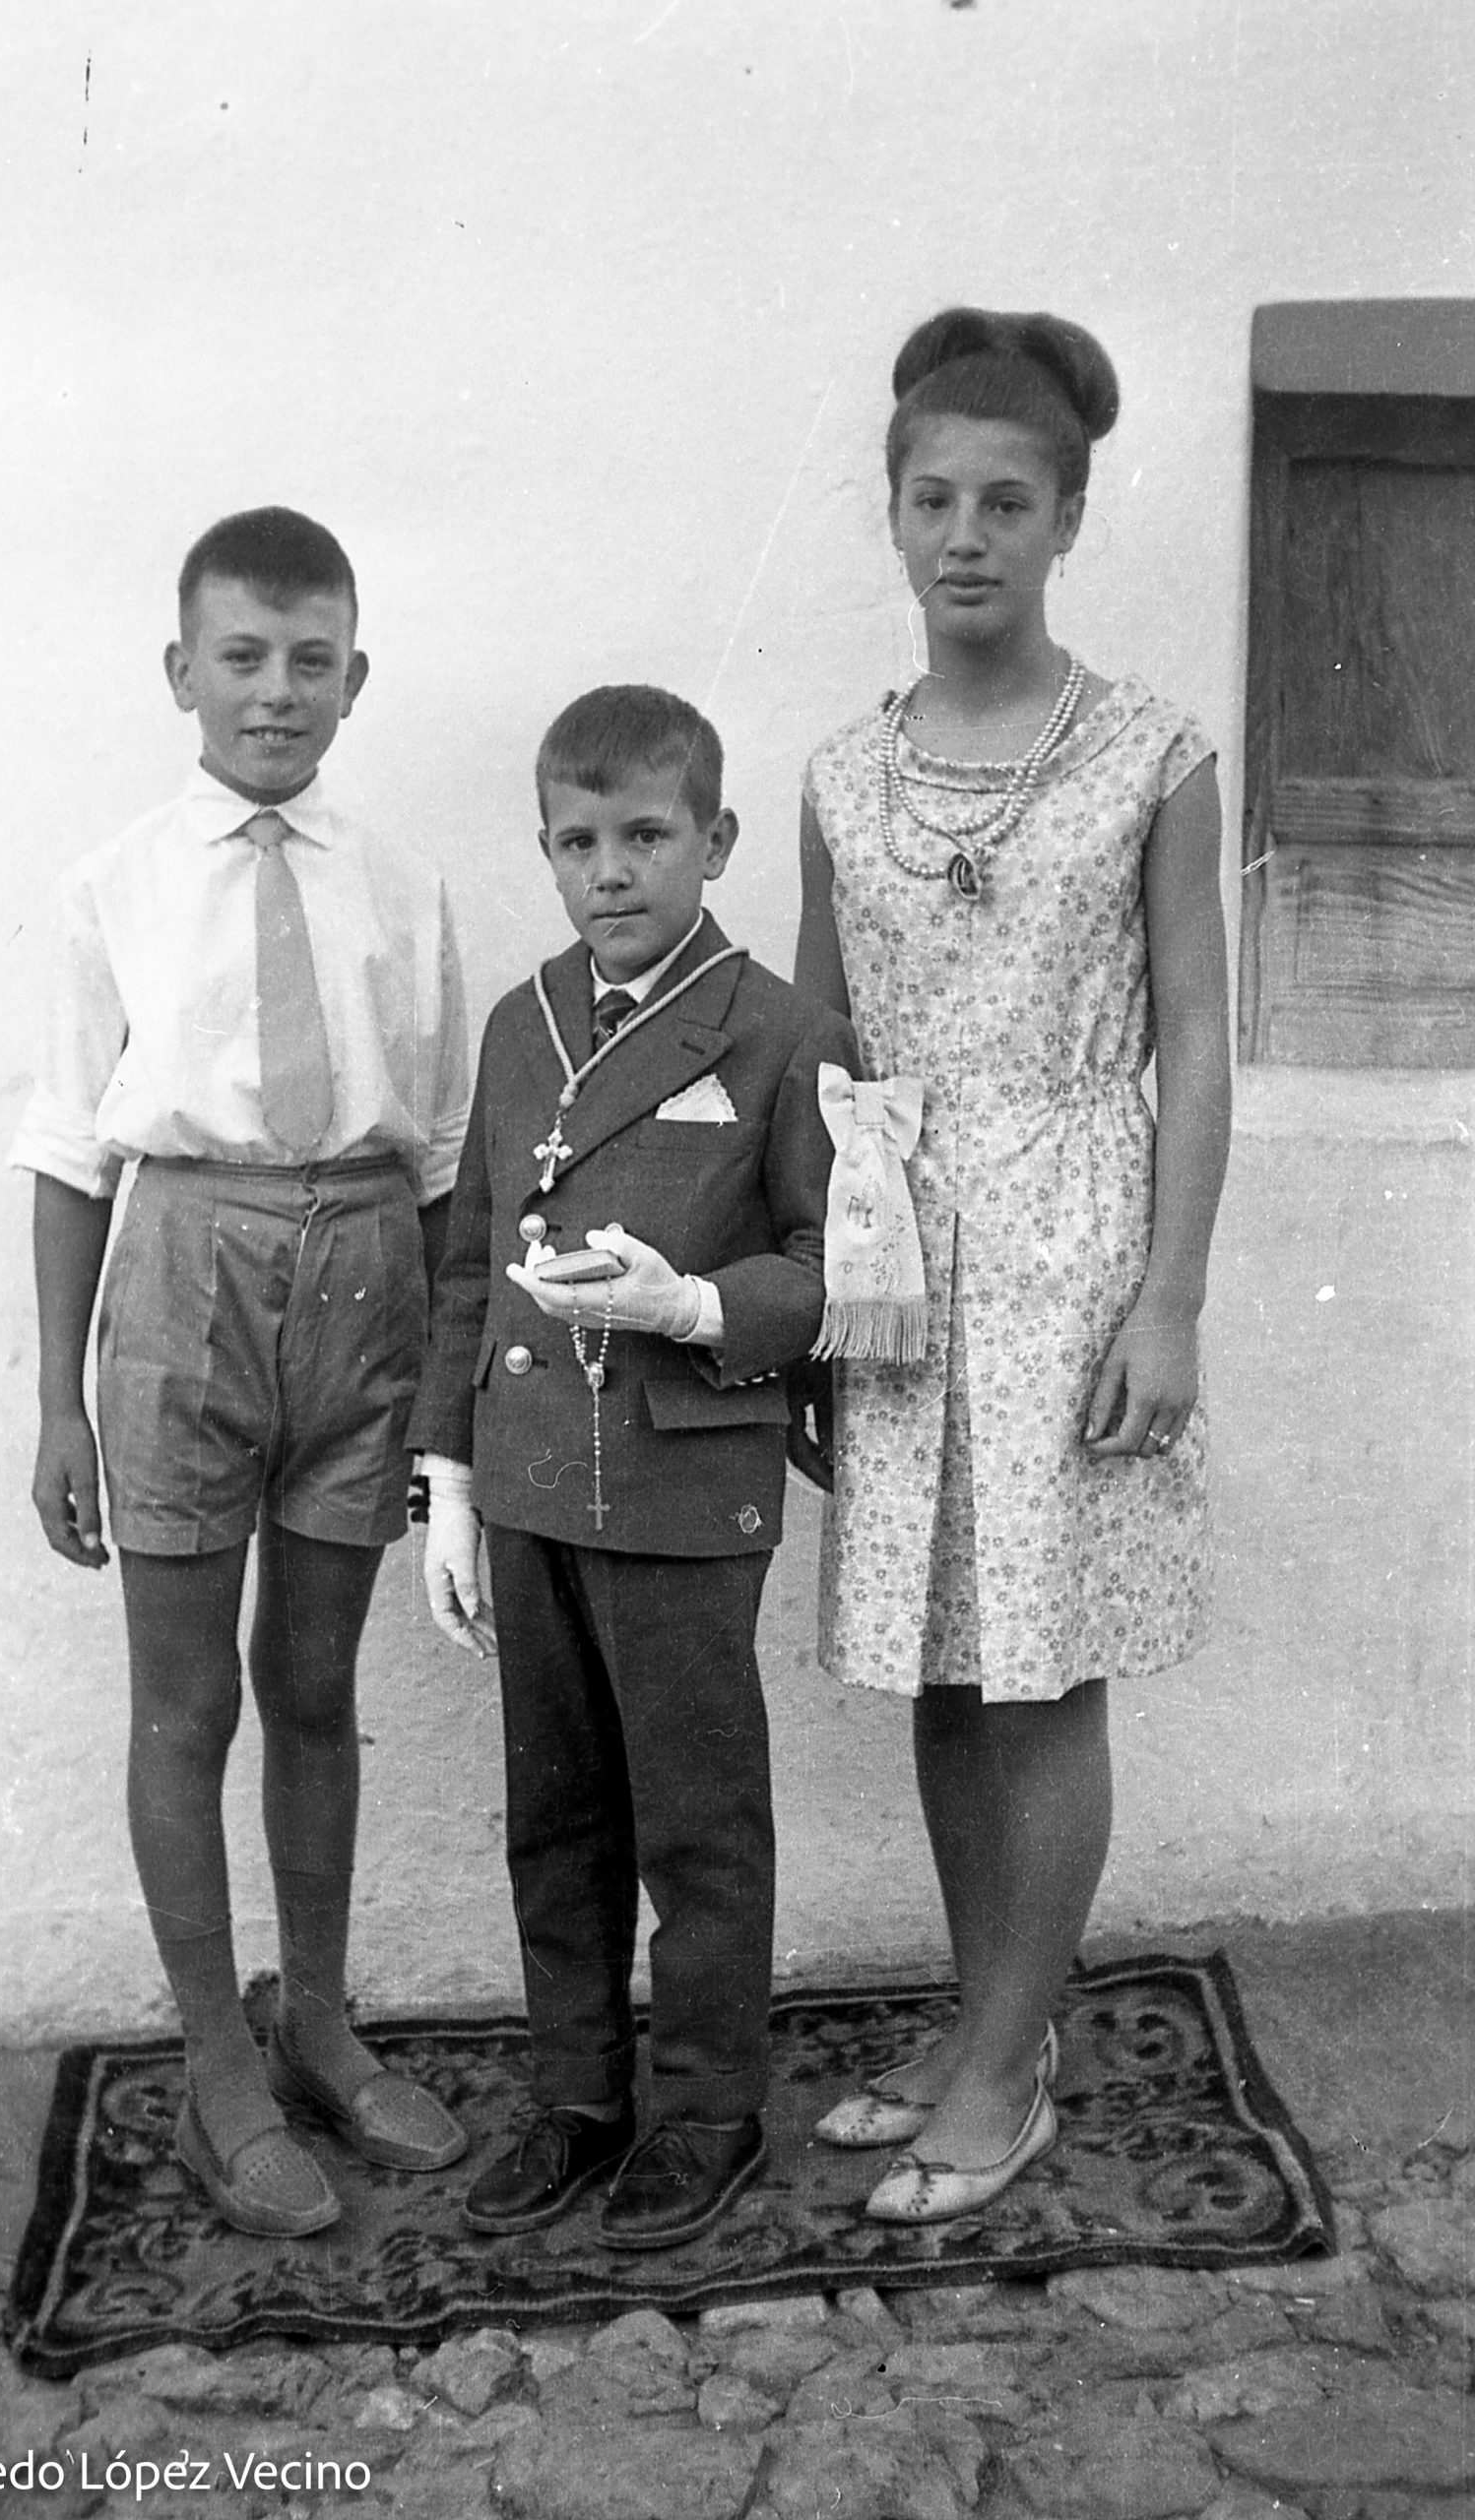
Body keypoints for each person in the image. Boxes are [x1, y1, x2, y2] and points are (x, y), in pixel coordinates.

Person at [794, 309, 1231, 2223]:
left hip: (1072, 1244)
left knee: (1039, 1671)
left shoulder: (1151, 753)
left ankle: (1000, 2065)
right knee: (938, 1662)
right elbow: (817, 1054)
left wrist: (1171, 1297)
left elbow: (1197, 1039)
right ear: (892, 516)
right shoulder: (840, 773)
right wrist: (817, 1303)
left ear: (1067, 519)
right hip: (898, 1252)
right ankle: (996, 2020)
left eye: (1006, 502)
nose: (965, 535)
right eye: (933, 500)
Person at [12, 506, 473, 2237]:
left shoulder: (402, 884)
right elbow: (71, 1152)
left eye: (311, 660)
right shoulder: (114, 884)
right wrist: (58, 1405)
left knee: (315, 1683)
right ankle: (219, 2064)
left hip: (365, 1271)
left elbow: (442, 1151)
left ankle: (320, 2023)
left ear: (356, 677)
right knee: (185, 1701)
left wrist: (443, 1400)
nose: (277, 691)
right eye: (243, 657)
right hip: (185, 1277)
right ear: (181, 671)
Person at [415, 685, 857, 2250]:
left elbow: (833, 1267)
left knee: (696, 1820)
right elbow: (469, 1261)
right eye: (578, 842)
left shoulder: (780, 1030)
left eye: (648, 836)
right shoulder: (522, 1022)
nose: (612, 871)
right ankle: (579, 2098)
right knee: (556, 1816)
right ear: (548, 850)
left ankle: (711, 2110)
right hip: (533, 1471)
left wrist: (697, 1307)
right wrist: (447, 1480)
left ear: (716, 842)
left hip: (682, 1475)